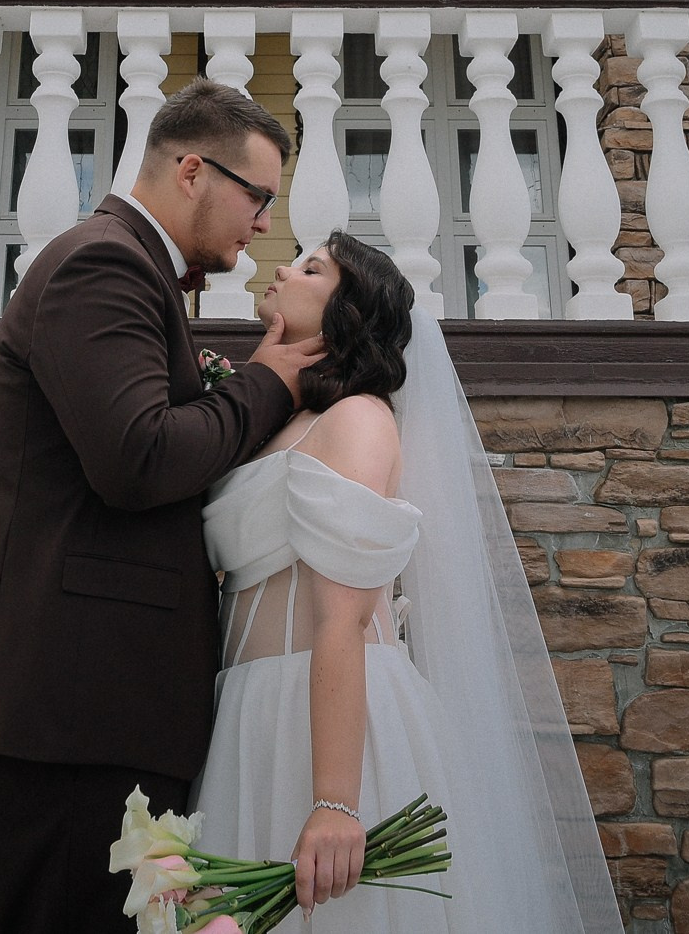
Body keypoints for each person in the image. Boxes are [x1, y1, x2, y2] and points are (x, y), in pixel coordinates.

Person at [0, 79, 327, 934]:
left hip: (102, 709)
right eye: (258, 195)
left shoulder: (140, 270)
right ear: (193, 169)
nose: (264, 224)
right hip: (77, 713)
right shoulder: (104, 260)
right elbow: (139, 455)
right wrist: (272, 380)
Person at [193, 235, 624, 933]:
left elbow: (344, 618)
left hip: (331, 721)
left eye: (310, 267)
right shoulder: (282, 422)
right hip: (249, 712)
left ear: (347, 312)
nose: (281, 268)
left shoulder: (359, 420)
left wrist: (335, 799)